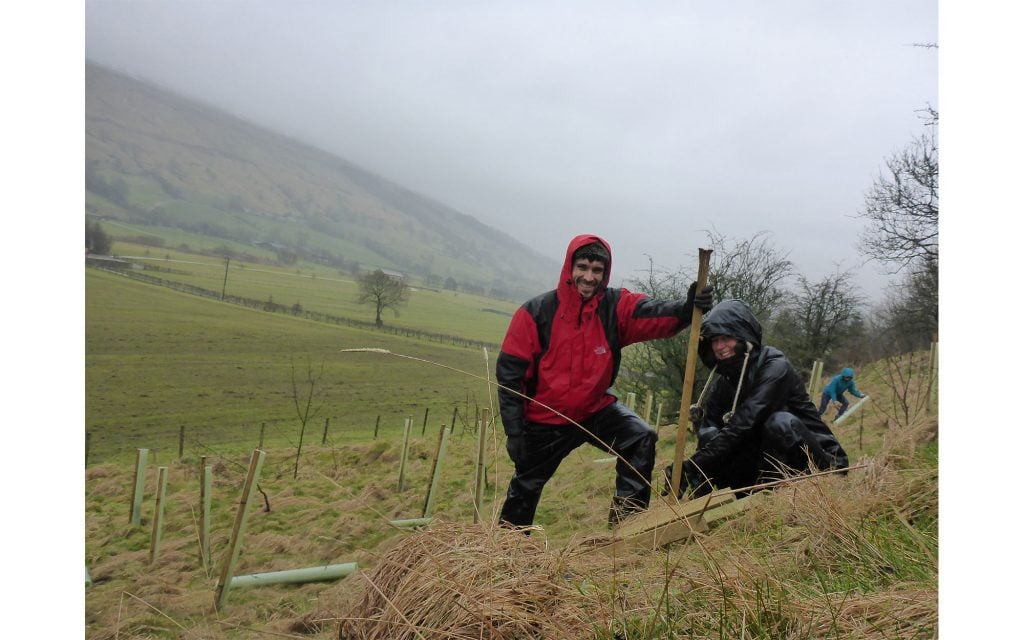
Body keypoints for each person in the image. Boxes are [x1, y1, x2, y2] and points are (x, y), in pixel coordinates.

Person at [495, 234, 713, 528]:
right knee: (526, 485)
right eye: (583, 267)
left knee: (640, 438)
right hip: (547, 418)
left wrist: (685, 310)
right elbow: (510, 376)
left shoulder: (615, 306)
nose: (589, 277)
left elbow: (650, 313)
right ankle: (509, 549)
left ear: (605, 272)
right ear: (569, 268)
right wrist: (515, 432)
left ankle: (627, 526)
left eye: (597, 270)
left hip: (595, 410)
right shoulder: (534, 314)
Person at [664, 299, 849, 498]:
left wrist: (693, 466)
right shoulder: (723, 384)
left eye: (726, 338)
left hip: (818, 462)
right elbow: (709, 438)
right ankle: (729, 501)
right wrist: (693, 475)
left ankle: (796, 493)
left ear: (743, 336)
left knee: (780, 423)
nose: (720, 347)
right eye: (715, 341)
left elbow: (745, 422)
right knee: (710, 433)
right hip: (763, 467)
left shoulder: (775, 366)